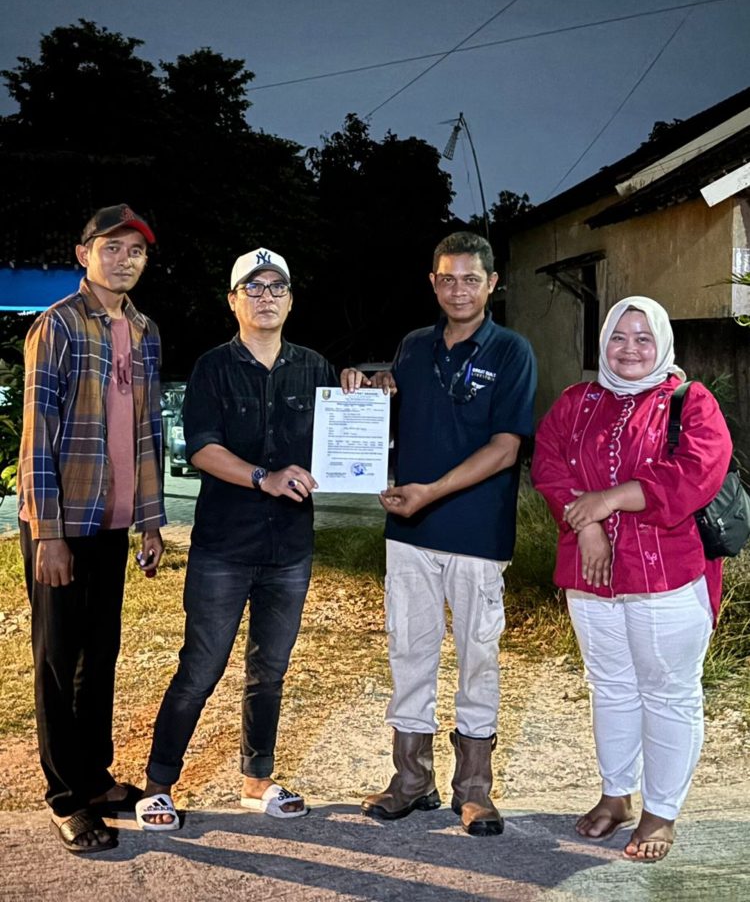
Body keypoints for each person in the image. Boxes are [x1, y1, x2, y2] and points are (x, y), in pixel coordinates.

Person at [341, 231, 537, 837]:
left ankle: (474, 789)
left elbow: (505, 449)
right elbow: (396, 410)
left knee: (479, 656)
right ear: (433, 282)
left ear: (492, 284)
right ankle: (411, 781)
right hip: (409, 532)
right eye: (447, 278)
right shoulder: (413, 346)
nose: (459, 290)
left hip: (476, 533)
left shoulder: (511, 351)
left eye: (471, 279)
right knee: (410, 652)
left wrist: (432, 491)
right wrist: (364, 392)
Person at [136, 247, 337, 830]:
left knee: (269, 669)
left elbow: (344, 441)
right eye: (254, 287)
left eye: (277, 286)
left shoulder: (316, 368)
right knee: (201, 667)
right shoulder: (212, 368)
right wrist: (263, 477)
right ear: (234, 301)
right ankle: (158, 785)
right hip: (224, 547)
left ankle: (257, 782)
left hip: (290, 549)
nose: (266, 296)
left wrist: (365, 395)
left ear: (291, 299)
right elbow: (200, 447)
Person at [531, 295, 732, 863]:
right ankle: (616, 795)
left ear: (663, 343)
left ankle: (661, 811)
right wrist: (588, 526)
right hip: (590, 574)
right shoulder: (577, 402)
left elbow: (693, 474)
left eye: (644, 337)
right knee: (611, 686)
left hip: (669, 574)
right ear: (604, 343)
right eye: (620, 336)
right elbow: (549, 464)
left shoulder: (690, 402)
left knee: (668, 693)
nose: (630, 349)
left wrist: (605, 502)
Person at [17, 203, 165, 855]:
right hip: (63, 524)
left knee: (98, 656)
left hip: (111, 525)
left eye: (136, 250)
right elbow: (35, 435)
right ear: (83, 254)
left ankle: (96, 778)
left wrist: (151, 523)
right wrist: (46, 532)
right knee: (58, 659)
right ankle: (64, 796)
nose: (124, 258)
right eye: (112, 247)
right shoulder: (58, 327)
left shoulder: (145, 330)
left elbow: (149, 431)